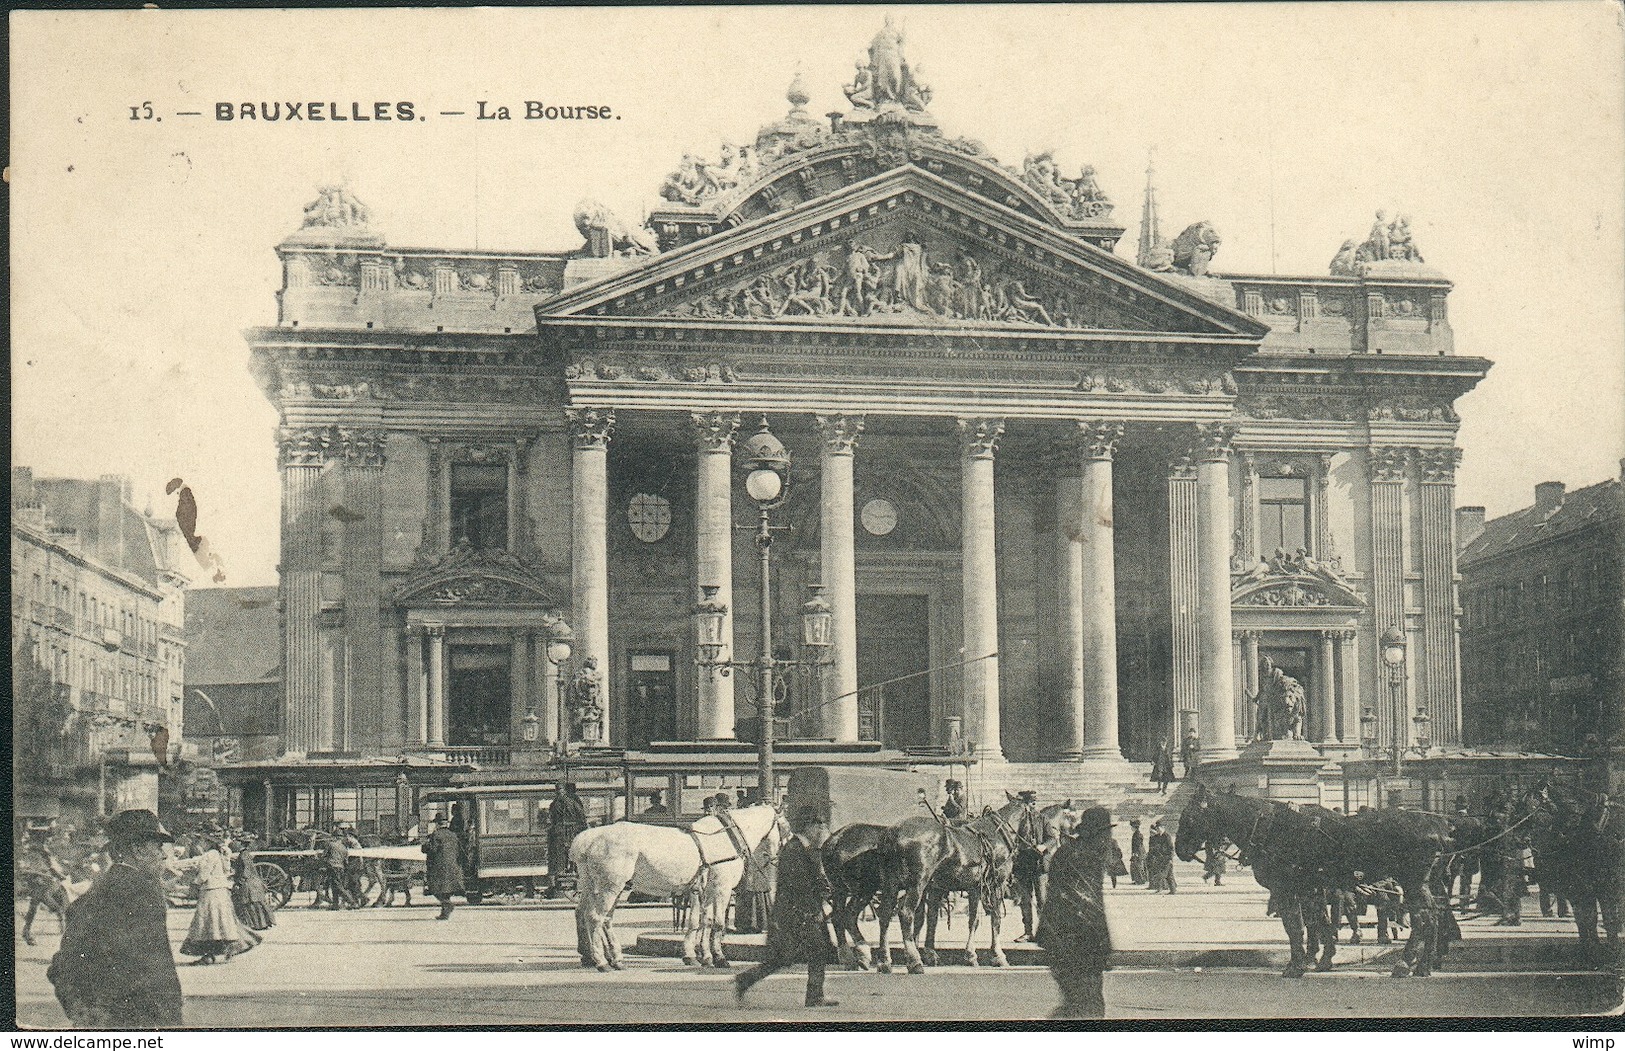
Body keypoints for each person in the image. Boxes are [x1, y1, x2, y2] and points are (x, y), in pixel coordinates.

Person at [48, 810, 184, 1028]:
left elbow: (61, 965)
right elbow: (155, 969)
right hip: (140, 1021)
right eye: (158, 847)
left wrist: (85, 1014)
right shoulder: (143, 891)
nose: (164, 855)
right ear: (138, 850)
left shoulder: (102, 887)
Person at [734, 806, 839, 1008]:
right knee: (802, 954)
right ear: (808, 826)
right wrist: (819, 899)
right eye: (819, 825)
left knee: (790, 956)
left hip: (800, 912)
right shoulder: (795, 849)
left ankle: (746, 980)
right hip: (797, 914)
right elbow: (798, 884)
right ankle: (813, 996)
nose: (821, 830)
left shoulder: (802, 847)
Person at [1036, 806, 1124, 1019]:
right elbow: (1088, 908)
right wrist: (1102, 949)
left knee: (1079, 1006)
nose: (1108, 838)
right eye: (1105, 832)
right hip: (1077, 945)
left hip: (1060, 942)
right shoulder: (1086, 858)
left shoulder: (1069, 852)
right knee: (1088, 1007)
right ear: (1096, 833)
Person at [171, 834, 256, 965]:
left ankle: (209, 955)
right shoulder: (220, 854)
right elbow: (227, 870)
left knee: (207, 922)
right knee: (222, 921)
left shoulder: (210, 854)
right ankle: (226, 950)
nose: (199, 843)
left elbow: (204, 873)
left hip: (211, 891)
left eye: (201, 840)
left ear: (207, 842)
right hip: (221, 890)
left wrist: (195, 883)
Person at [1012, 790, 1047, 941]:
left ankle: (1044, 932)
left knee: (1042, 899)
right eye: (1028, 803)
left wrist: (1043, 846)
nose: (1032, 806)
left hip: (1039, 864)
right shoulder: (1017, 821)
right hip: (1023, 864)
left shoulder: (1042, 818)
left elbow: (1052, 838)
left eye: (1034, 803)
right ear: (1024, 804)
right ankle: (1028, 932)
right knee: (1025, 900)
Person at [548, 783, 590, 896]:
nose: (559, 792)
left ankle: (562, 871)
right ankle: (570, 870)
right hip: (571, 832)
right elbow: (581, 816)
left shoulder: (555, 803)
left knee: (559, 853)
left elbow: (552, 818)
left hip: (561, 832)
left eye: (559, 790)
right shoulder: (574, 801)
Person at [231, 836, 276, 935]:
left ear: (241, 844)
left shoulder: (243, 855)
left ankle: (255, 924)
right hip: (253, 881)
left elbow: (246, 870)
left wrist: (240, 882)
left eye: (237, 842)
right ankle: (261, 924)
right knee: (255, 903)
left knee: (249, 903)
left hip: (249, 882)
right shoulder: (245, 854)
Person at [422, 814, 464, 920]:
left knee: (434, 888)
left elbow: (433, 850)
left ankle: (447, 905)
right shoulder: (453, 834)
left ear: (437, 824)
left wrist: (424, 846)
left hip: (439, 866)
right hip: (453, 865)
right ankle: (444, 913)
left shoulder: (436, 835)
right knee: (446, 890)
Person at [1145, 819, 1177, 894]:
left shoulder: (1167, 836)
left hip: (1167, 858)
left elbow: (1171, 848)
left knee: (1161, 874)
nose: (1157, 829)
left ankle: (1160, 889)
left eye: (1159, 828)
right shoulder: (1159, 836)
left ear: (1163, 827)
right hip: (1161, 858)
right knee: (1169, 875)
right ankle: (1173, 890)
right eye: (1157, 828)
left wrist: (1170, 858)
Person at [1128, 819, 1146, 885]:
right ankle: (1137, 880)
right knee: (1135, 866)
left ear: (1135, 827)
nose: (1131, 828)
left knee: (1138, 866)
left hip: (1138, 853)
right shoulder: (1136, 834)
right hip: (1137, 852)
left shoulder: (1137, 834)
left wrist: (1136, 853)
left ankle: (1141, 880)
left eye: (1132, 827)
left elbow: (1138, 845)